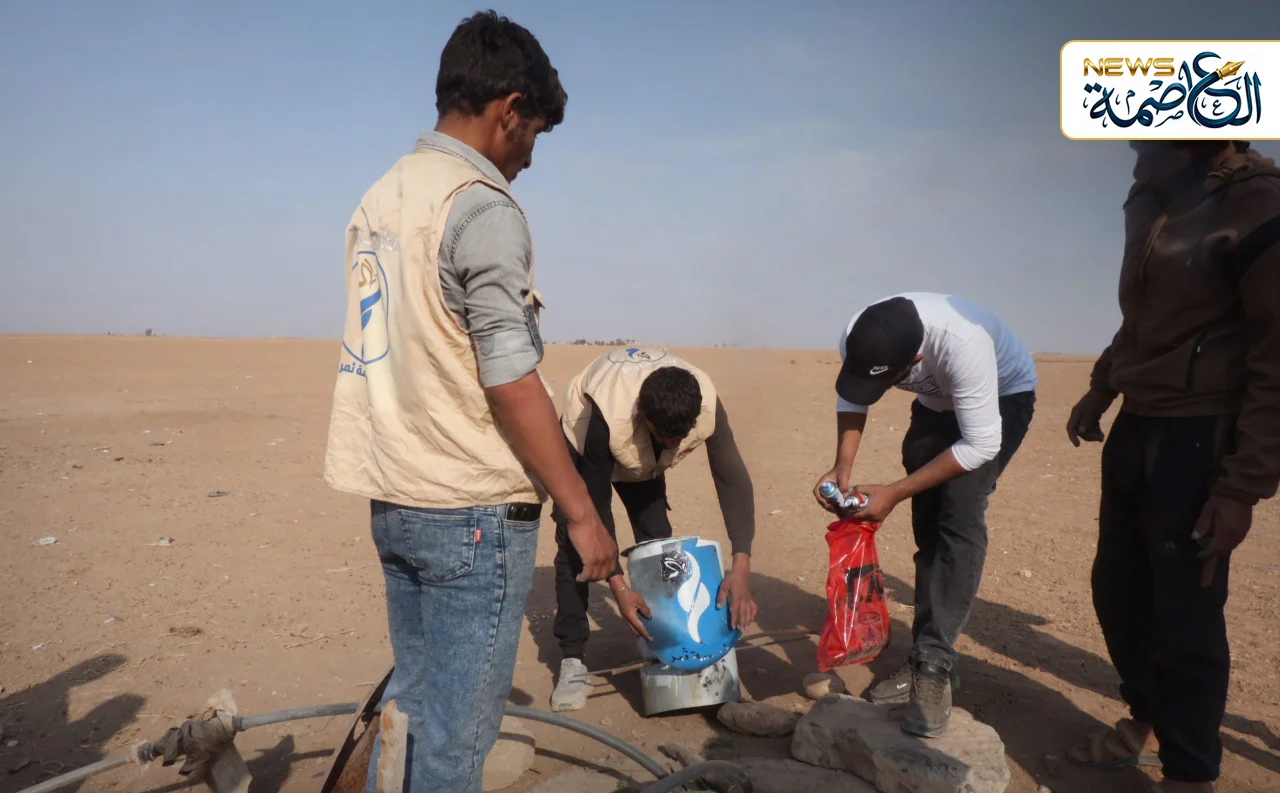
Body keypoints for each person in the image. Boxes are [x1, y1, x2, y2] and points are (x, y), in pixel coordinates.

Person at [322, 12, 618, 793]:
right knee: (455, 749)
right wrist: (582, 512)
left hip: (397, 499)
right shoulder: (480, 206)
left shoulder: (382, 196)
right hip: (472, 514)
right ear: (510, 111)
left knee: (410, 712)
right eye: (535, 134)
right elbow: (510, 379)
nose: (530, 157)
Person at [1065, 140, 1280, 793]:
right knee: (1118, 590)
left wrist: (1241, 485)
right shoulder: (1151, 197)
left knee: (1186, 612)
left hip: (1200, 434)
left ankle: (1189, 775)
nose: (1135, 167)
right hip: (1138, 422)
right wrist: (1103, 384)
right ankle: (1149, 720)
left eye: (1152, 150)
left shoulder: (1258, 206)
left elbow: (1277, 355)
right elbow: (1142, 315)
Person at [812, 293, 1037, 737]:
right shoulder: (861, 334)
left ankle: (933, 664)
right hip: (935, 409)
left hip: (1000, 401)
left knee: (958, 517)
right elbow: (852, 398)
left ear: (914, 361)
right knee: (928, 525)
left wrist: (894, 492)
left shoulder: (963, 343)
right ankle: (926, 654)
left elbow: (980, 444)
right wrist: (842, 466)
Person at [549, 347, 758, 712]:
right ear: (644, 416)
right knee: (577, 548)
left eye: (682, 435)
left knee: (658, 541)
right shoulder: (607, 418)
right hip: (586, 447)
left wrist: (741, 566)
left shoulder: (706, 402)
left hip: (642, 456)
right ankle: (572, 658)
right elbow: (594, 507)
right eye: (666, 435)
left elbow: (732, 478)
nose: (675, 444)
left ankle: (660, 637)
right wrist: (618, 586)